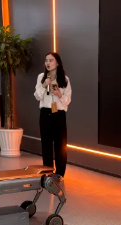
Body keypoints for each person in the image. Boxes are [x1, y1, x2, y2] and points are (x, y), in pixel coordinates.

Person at [34, 52, 72, 180]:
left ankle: (60, 173)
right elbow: (37, 96)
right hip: (45, 113)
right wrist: (44, 85)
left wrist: (59, 94)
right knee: (46, 144)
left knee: (60, 145)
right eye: (46, 60)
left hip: (58, 114)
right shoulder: (41, 77)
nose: (48, 63)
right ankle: (48, 171)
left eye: (51, 60)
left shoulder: (65, 79)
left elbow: (68, 99)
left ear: (57, 63)